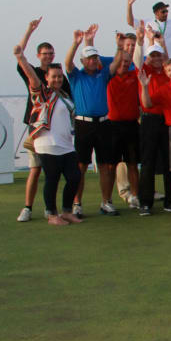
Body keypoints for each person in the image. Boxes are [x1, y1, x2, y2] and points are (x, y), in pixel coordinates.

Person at [14, 44, 82, 226]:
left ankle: (66, 211)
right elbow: (31, 77)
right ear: (46, 78)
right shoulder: (42, 93)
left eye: (59, 76)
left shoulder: (64, 95)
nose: (57, 79)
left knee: (74, 177)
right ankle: (52, 214)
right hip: (48, 144)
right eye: (54, 76)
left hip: (66, 144)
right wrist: (21, 58)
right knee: (52, 179)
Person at [64, 25, 117, 217]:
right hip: (83, 124)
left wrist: (119, 47)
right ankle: (77, 203)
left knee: (105, 165)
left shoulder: (103, 74)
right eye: (90, 58)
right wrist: (76, 43)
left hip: (103, 123)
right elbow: (67, 63)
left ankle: (106, 202)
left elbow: (116, 63)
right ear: (83, 61)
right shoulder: (76, 76)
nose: (93, 61)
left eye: (95, 58)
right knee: (81, 166)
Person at [137, 53, 171, 217]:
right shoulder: (147, 71)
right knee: (148, 162)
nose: (156, 59)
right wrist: (145, 86)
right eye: (153, 56)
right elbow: (147, 103)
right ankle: (146, 203)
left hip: (170, 124)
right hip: (152, 121)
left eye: (159, 56)